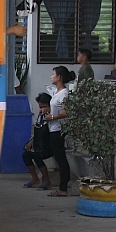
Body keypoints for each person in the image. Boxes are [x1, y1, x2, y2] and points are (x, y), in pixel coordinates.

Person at [46, 65, 76, 196]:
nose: (51, 76)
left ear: (59, 77)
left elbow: (66, 112)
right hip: (53, 129)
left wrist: (52, 117)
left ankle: (63, 187)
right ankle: (62, 184)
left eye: (53, 74)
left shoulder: (64, 93)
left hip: (58, 129)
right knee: (58, 158)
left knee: (61, 158)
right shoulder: (56, 92)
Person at [22, 93, 52, 189]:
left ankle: (46, 179)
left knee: (37, 155)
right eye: (40, 107)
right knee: (26, 155)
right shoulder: (40, 116)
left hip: (51, 145)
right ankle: (35, 178)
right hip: (41, 144)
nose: (41, 110)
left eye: (44, 107)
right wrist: (32, 141)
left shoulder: (53, 116)